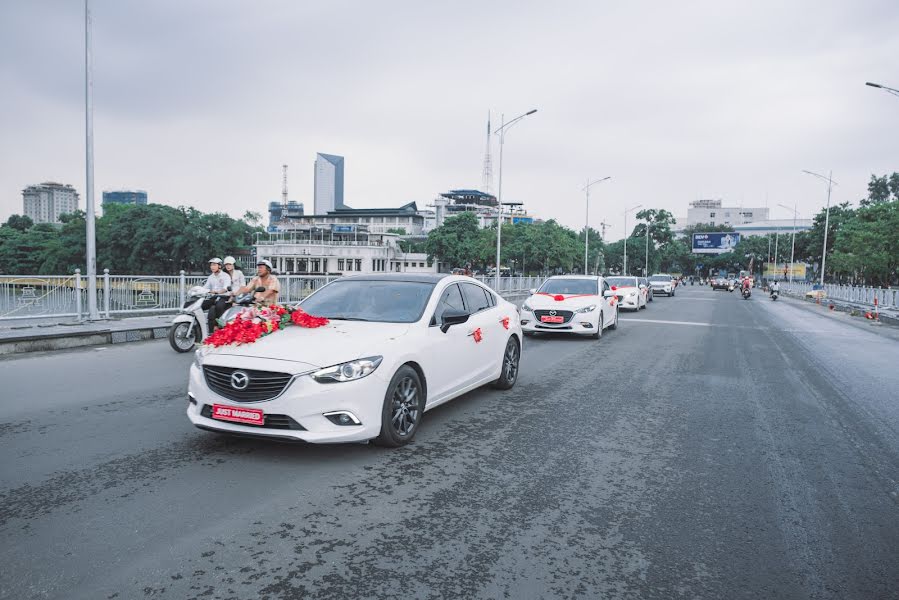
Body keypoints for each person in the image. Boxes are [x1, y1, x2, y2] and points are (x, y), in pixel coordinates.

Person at [201, 258, 231, 332]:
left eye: (214, 265)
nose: (212, 267)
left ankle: (219, 325)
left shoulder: (225, 276)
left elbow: (225, 288)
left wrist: (217, 292)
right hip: (213, 297)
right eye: (211, 265)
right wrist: (199, 291)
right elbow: (205, 287)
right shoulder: (211, 277)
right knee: (200, 305)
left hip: (224, 297)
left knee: (219, 306)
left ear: (220, 266)